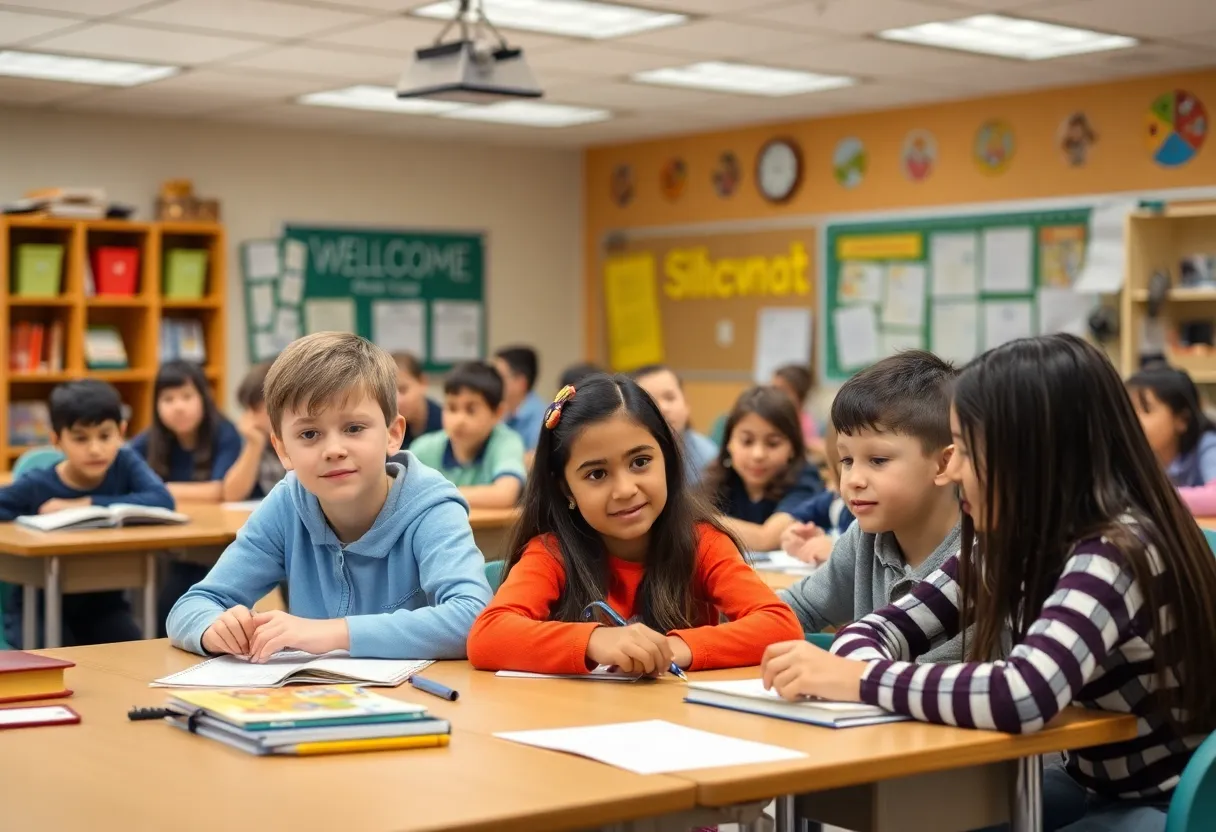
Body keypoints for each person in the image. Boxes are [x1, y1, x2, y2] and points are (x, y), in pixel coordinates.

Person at [761, 334, 1216, 832]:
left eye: (967, 450)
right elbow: (878, 630)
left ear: (1031, 456)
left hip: (1165, 804)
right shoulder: (1017, 543)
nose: (952, 469)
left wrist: (857, 680)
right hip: (1093, 785)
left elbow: (1024, 692)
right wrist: (857, 669)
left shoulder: (1114, 549)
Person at [166, 332, 493, 660]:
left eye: (354, 428)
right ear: (282, 450)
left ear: (393, 434)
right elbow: (191, 606)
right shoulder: (287, 505)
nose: (334, 450)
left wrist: (334, 633)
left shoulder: (431, 508)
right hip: (311, 700)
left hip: (423, 702)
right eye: (309, 434)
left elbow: (472, 617)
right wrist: (214, 628)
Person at [467, 375, 802, 675]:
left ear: (667, 461)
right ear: (566, 487)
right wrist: (598, 641)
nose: (626, 489)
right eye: (597, 474)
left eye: (640, 462)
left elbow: (780, 626)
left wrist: (669, 649)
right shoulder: (552, 553)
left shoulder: (703, 543)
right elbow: (488, 635)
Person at [776, 352, 962, 662]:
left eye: (878, 460)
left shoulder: (981, 556)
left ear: (944, 464)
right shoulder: (864, 540)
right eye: (846, 460)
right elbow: (797, 610)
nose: (852, 480)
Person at [0, 380, 171, 645]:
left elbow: (162, 499)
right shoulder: (38, 484)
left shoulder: (124, 463)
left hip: (103, 605)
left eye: (105, 436)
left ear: (121, 432)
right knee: (56, 658)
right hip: (39, 607)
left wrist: (87, 503)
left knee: (133, 648)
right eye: (80, 438)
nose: (95, 449)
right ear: (56, 439)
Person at [130, 360, 243, 632]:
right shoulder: (153, 438)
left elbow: (219, 491)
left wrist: (158, 489)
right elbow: (121, 465)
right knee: (164, 604)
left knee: (177, 600)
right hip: (176, 545)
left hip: (222, 547)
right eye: (167, 399)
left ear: (204, 397)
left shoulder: (224, 433)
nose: (178, 406)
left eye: (187, 396)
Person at [703, 386, 822, 552]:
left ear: (792, 447)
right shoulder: (718, 478)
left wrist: (698, 520)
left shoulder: (806, 481)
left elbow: (765, 539)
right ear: (729, 442)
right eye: (747, 441)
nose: (758, 455)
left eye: (772, 443)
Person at [408, 361, 526, 509]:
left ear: (498, 413)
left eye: (471, 410)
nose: (459, 420)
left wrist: (436, 492)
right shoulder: (423, 448)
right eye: (451, 408)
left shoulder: (507, 442)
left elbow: (505, 494)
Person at [1126, 364, 1216, 514]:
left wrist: (1157, 497)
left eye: (1146, 410)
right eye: (1129, 410)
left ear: (1182, 420)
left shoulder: (1207, 445)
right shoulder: (1132, 454)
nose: (1133, 420)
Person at [780, 424, 853, 565]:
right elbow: (797, 517)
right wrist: (796, 533)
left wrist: (837, 550)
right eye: (847, 463)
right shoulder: (836, 501)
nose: (858, 479)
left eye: (878, 461)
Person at [632, 364, 717, 484]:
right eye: (651, 401)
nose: (662, 408)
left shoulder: (708, 458)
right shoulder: (628, 455)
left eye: (670, 398)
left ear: (686, 404)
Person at [223, 360, 287, 501]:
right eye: (249, 410)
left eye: (259, 409)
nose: (252, 419)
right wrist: (254, 444)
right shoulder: (249, 437)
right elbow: (231, 495)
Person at [493, 345, 544, 455]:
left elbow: (536, 461)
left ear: (521, 382)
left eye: (499, 377)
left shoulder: (542, 419)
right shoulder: (504, 413)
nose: (493, 382)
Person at [392, 351, 443, 449]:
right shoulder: (389, 430)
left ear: (423, 382)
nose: (397, 401)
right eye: (390, 393)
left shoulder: (444, 425)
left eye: (403, 390)